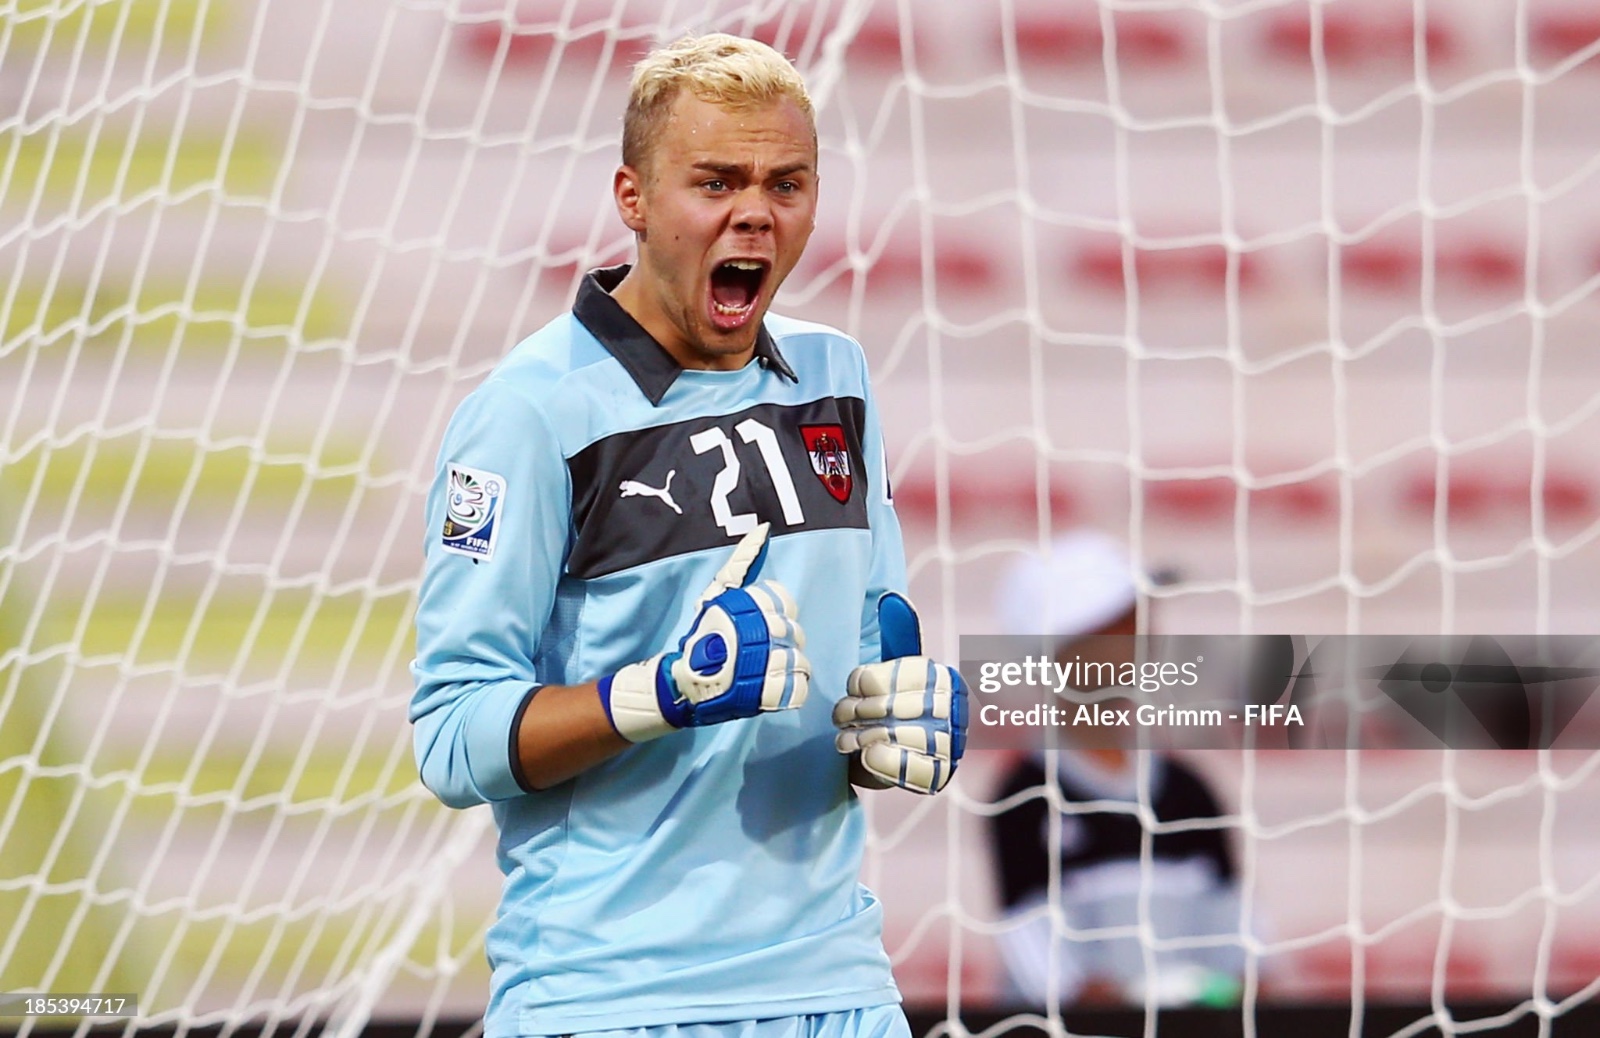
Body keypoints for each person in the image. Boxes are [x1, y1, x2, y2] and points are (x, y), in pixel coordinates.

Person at [409, 33, 968, 1038]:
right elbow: (452, 742)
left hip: (836, 987)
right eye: (715, 181)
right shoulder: (527, 414)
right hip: (610, 996)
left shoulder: (839, 378)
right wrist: (655, 694)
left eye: (785, 182)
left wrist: (896, 728)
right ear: (632, 198)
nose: (754, 210)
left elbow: (865, 671)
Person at [986, 530, 1247, 1008]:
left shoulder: (1190, 792)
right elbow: (1043, 971)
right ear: (1067, 645)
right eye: (1122, 623)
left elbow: (1242, 954)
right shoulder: (1024, 796)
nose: (1146, 637)